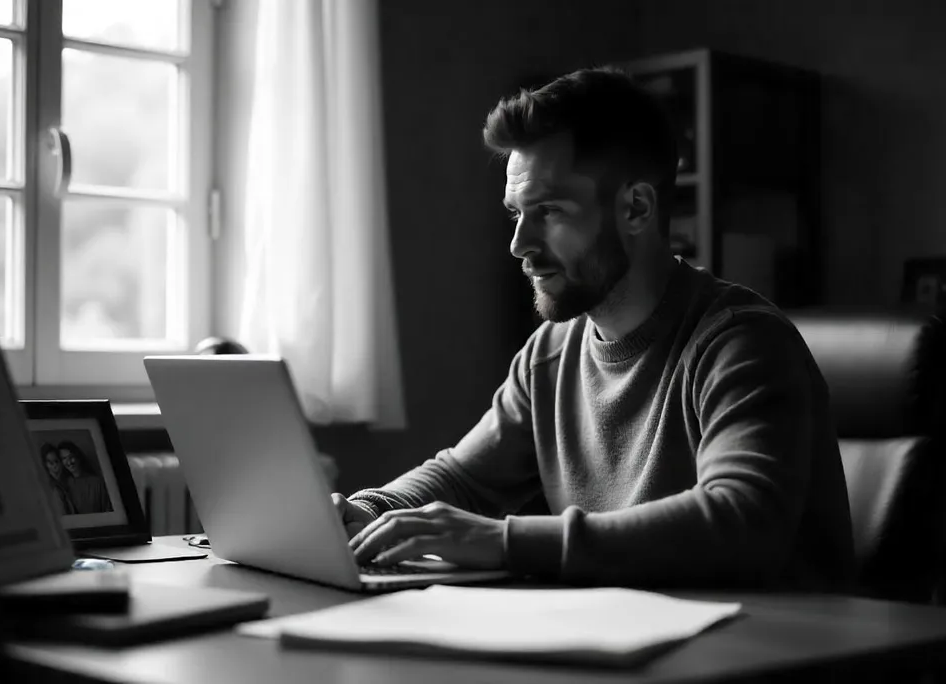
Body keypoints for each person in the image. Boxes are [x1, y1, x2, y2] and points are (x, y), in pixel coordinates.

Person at [333, 67, 855, 591]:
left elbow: (742, 519)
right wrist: (363, 513)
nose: (519, 244)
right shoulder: (550, 355)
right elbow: (462, 477)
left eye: (550, 211)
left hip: (769, 649)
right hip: (629, 644)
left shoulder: (741, 343)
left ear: (636, 207)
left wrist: (505, 541)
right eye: (517, 213)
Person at [57, 441, 111, 514]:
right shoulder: (64, 485)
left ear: (78, 457)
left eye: (71, 457)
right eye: (64, 458)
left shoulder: (97, 482)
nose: (69, 462)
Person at [39, 443, 76, 516]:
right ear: (45, 464)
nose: (55, 466)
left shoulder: (71, 482)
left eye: (56, 461)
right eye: (50, 463)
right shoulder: (46, 487)